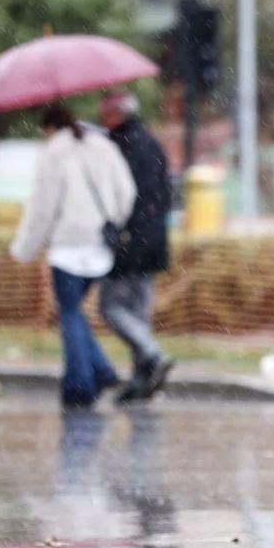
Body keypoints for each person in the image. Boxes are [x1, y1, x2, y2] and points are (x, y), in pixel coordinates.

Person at [10, 105, 136, 408]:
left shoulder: (53, 154)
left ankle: (81, 386)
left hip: (67, 248)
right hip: (100, 249)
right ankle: (101, 371)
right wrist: (113, 222)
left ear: (51, 128)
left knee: (69, 312)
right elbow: (127, 192)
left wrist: (23, 249)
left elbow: (42, 209)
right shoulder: (104, 146)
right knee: (74, 312)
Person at [97, 91, 175, 403]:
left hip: (130, 240)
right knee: (138, 312)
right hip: (155, 240)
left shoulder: (119, 148)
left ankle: (152, 355)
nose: (103, 117)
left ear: (117, 113)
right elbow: (165, 194)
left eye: (106, 111)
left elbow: (119, 196)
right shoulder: (152, 143)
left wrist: (118, 231)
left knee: (112, 307)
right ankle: (142, 378)